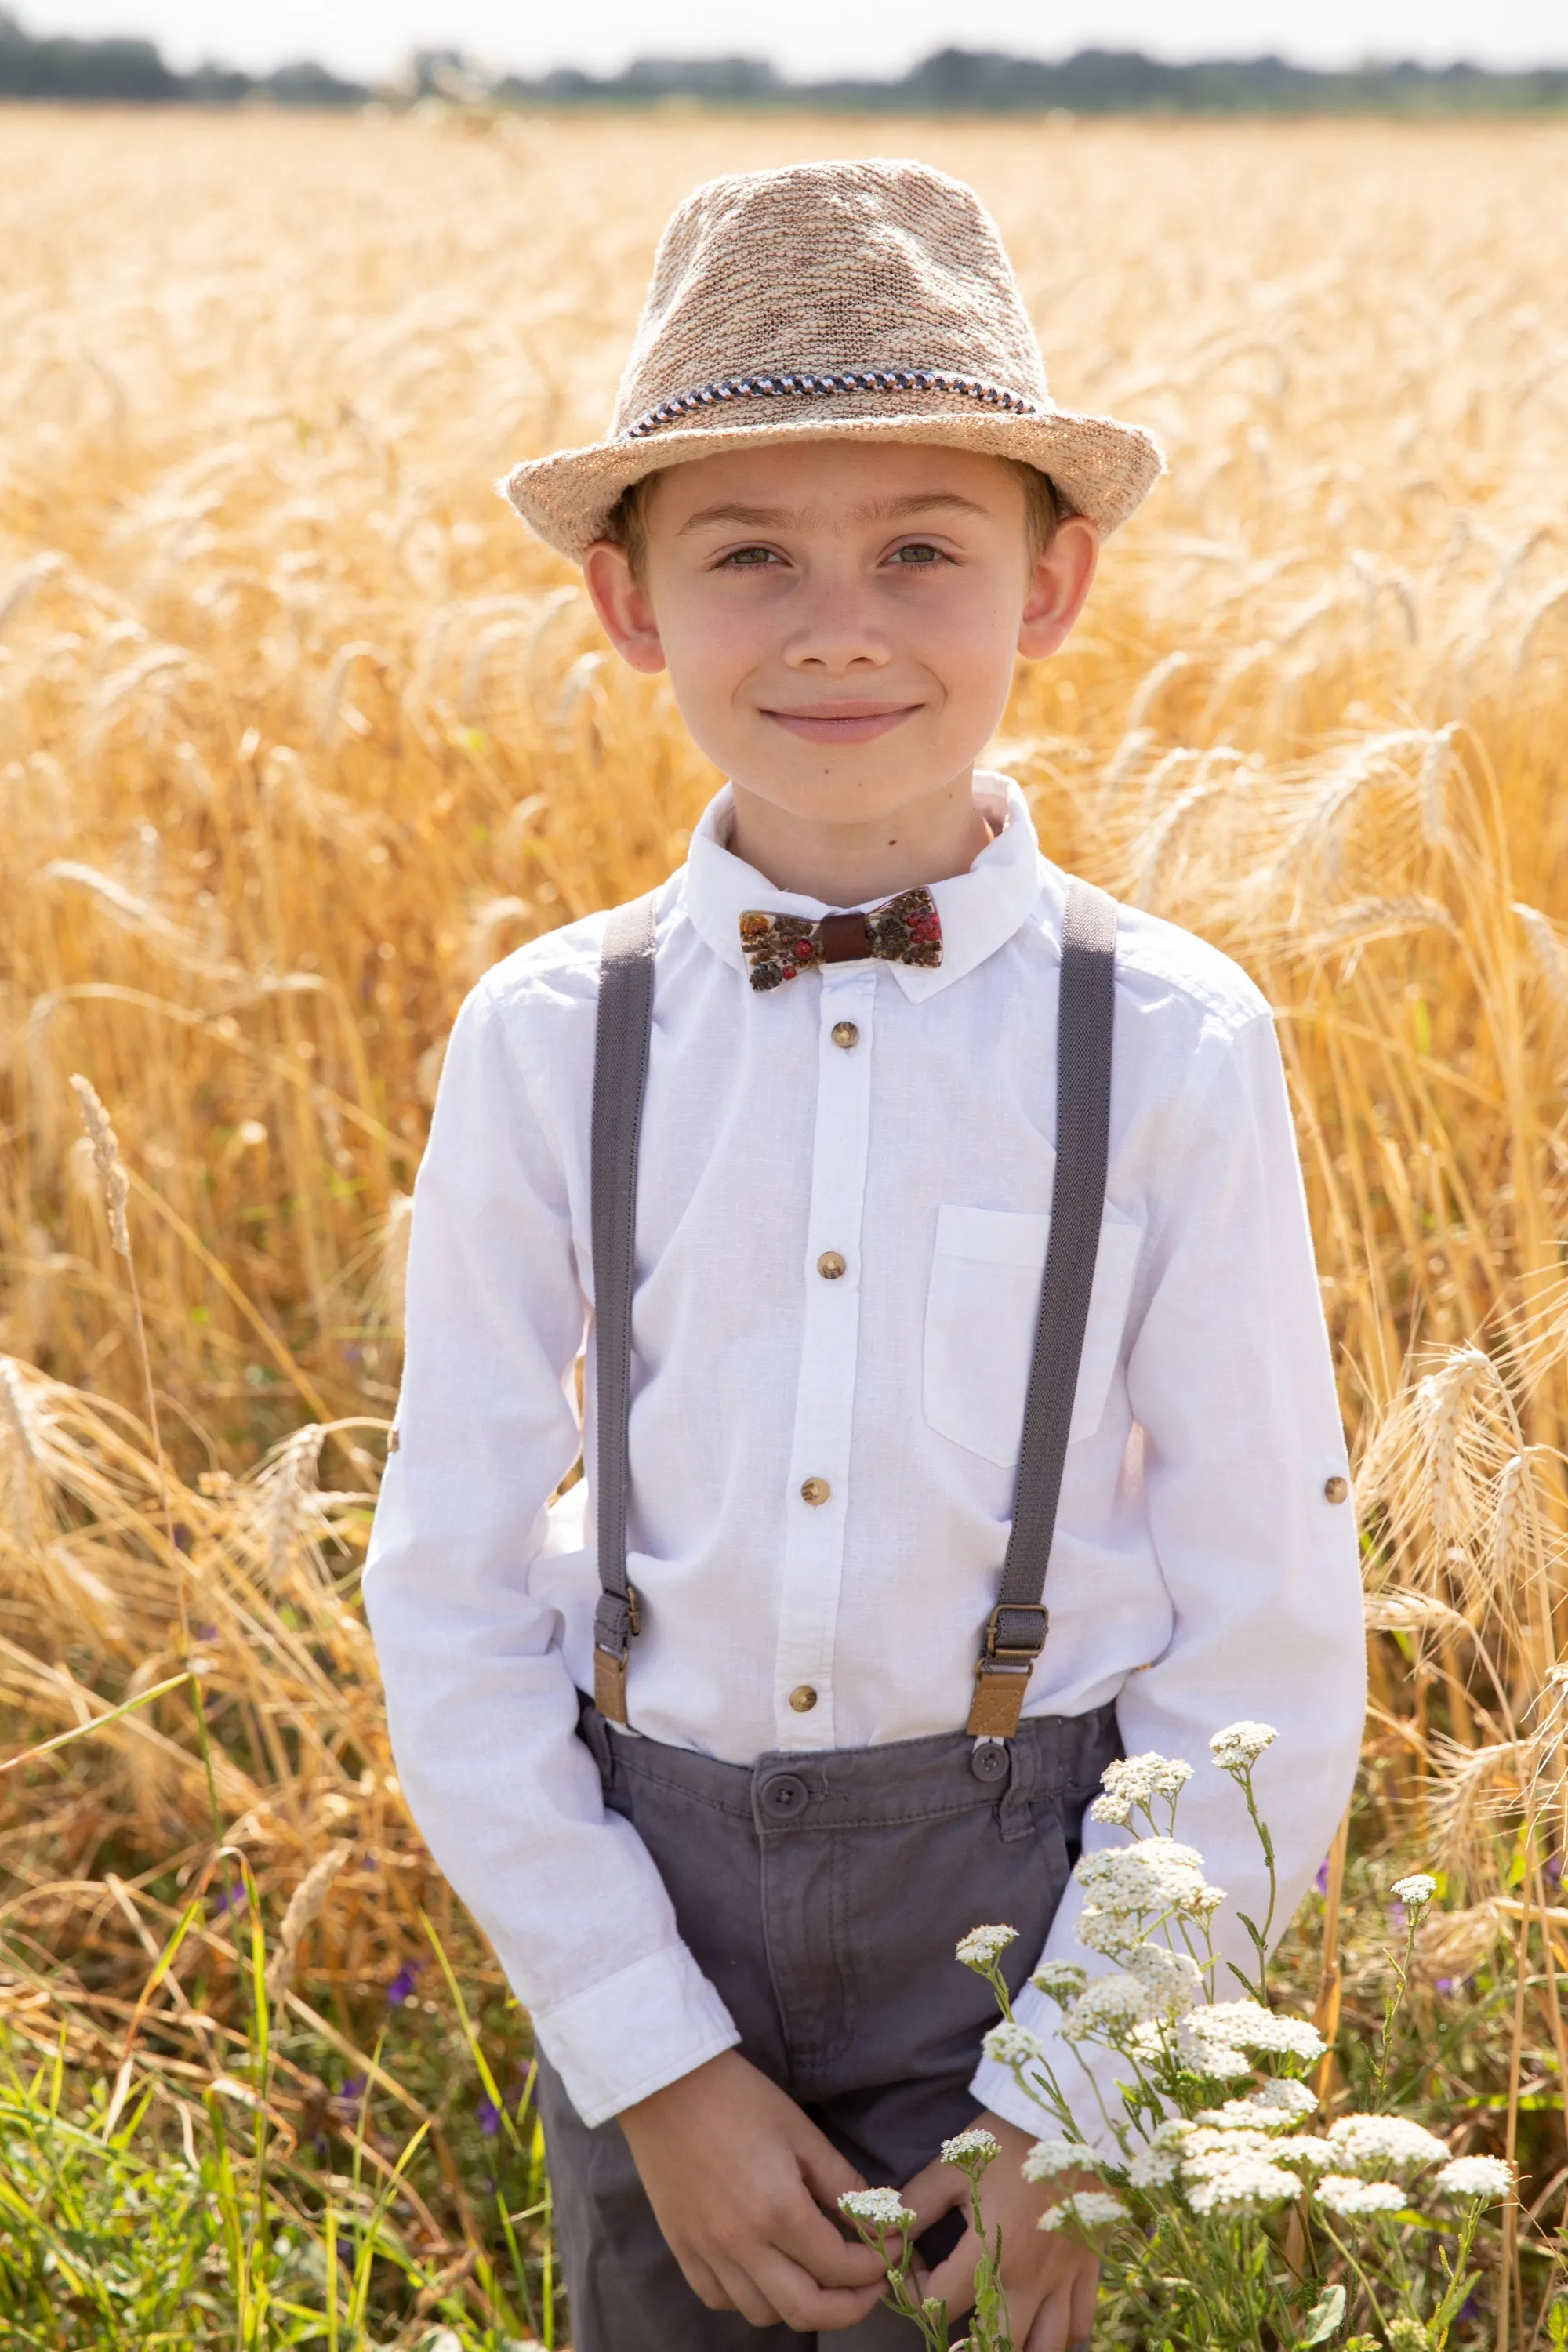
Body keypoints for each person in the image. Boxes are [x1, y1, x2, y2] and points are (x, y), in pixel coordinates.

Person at [364, 159, 1366, 2351]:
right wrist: (659, 2065)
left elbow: (1266, 1628)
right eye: (749, 555)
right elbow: (445, 1582)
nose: (838, 623)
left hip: (1046, 1916)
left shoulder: (1175, 1040)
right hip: (655, 1920)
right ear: (630, 606)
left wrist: (1089, 2099)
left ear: (1056, 583)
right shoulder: (547, 1039)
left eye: (923, 547)